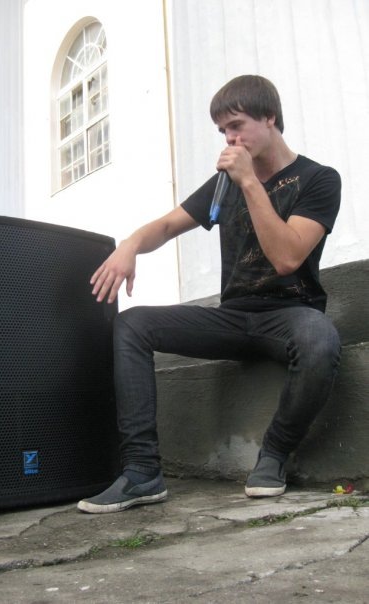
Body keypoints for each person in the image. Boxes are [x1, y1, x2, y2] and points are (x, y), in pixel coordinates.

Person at [77, 74, 341, 514]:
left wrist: (250, 183)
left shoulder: (318, 179)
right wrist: (129, 246)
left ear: (269, 117)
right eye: (223, 131)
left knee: (320, 340)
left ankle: (274, 455)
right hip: (233, 317)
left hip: (291, 315)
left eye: (236, 126)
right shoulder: (224, 183)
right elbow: (166, 225)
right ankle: (141, 472)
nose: (230, 139)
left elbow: (287, 258)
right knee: (133, 324)